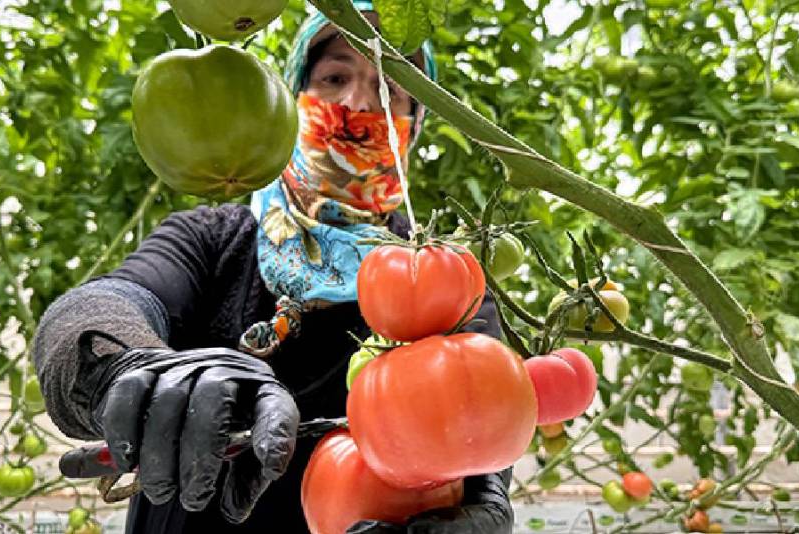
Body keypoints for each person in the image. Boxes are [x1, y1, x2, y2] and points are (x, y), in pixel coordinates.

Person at [32, 2, 515, 532]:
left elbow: (484, 398)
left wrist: (487, 489)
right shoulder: (214, 238)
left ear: (414, 121)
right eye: (335, 76)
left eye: (389, 88)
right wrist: (124, 367)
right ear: (292, 97)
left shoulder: (442, 275)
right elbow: (98, 306)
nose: (358, 102)